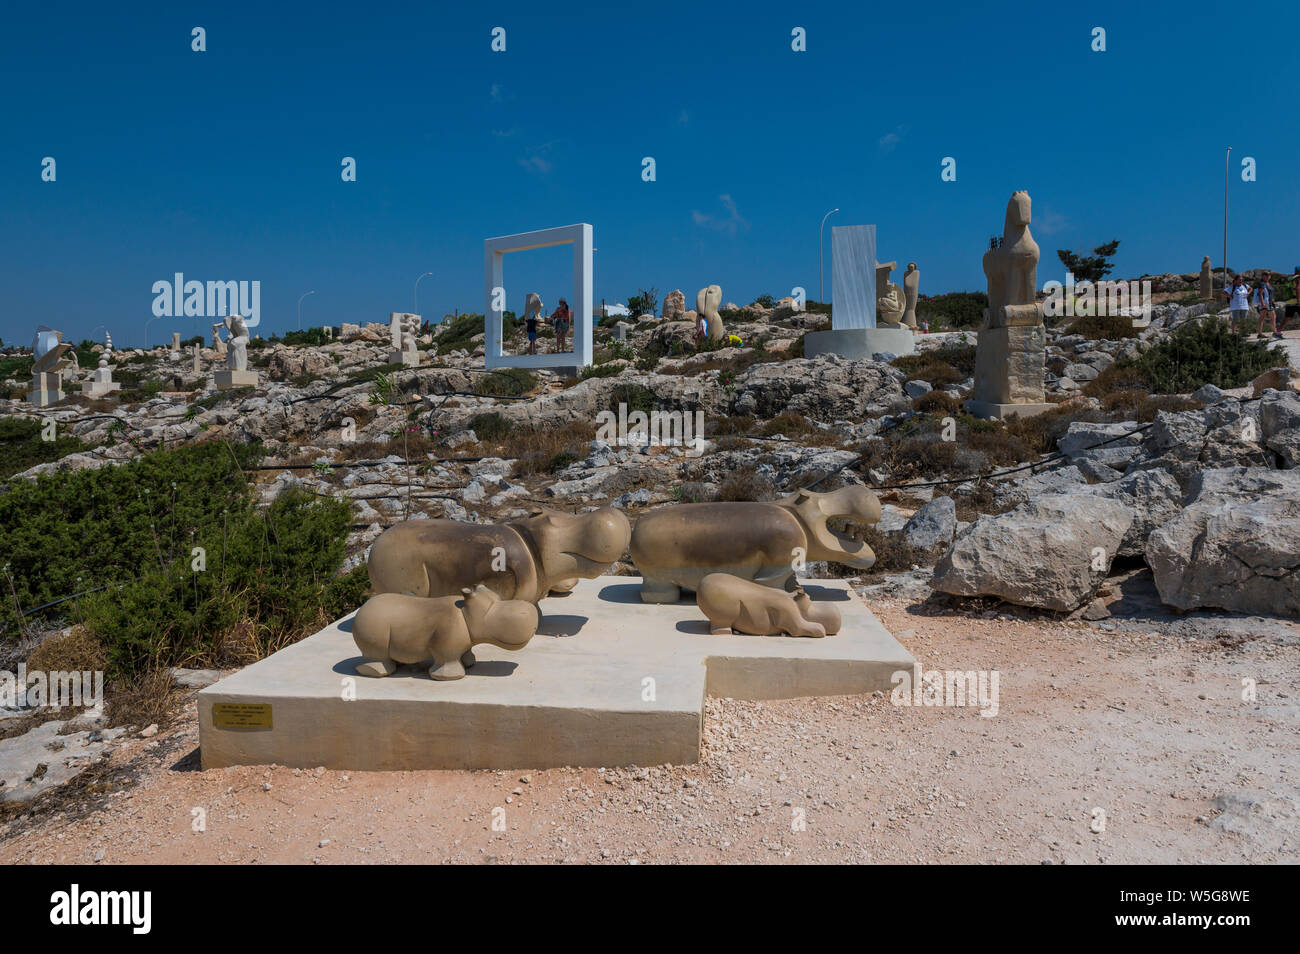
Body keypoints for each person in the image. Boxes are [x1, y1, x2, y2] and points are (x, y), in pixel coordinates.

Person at [1254, 275, 1281, 339]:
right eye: (1267, 275)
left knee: (1264, 317)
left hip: (1269, 303)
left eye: (1269, 275)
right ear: (1264, 276)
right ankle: (1274, 332)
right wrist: (1262, 303)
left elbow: (1269, 293)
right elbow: (1260, 293)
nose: (1269, 277)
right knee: (1271, 317)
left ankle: (1261, 333)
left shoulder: (1267, 284)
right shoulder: (1262, 284)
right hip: (1266, 303)